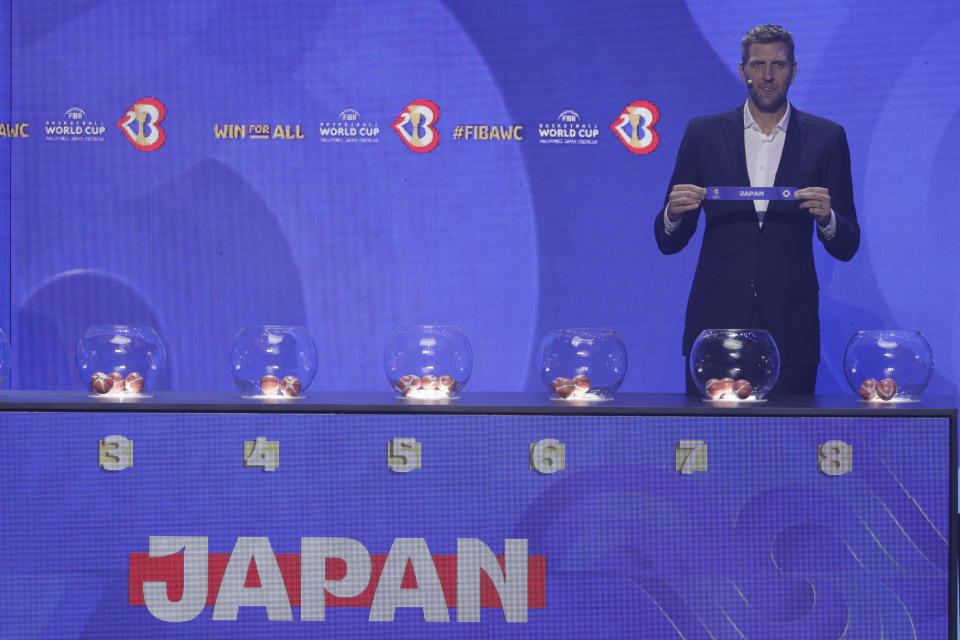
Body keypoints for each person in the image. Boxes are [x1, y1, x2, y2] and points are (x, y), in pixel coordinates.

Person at [653, 24, 859, 395]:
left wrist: (828, 219)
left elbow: (847, 244)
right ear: (742, 70)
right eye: (758, 64)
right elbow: (668, 241)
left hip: (791, 331)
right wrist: (673, 215)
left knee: (785, 447)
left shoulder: (827, 137)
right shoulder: (703, 133)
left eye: (778, 65)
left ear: (793, 70)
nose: (767, 75)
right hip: (714, 329)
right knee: (711, 445)